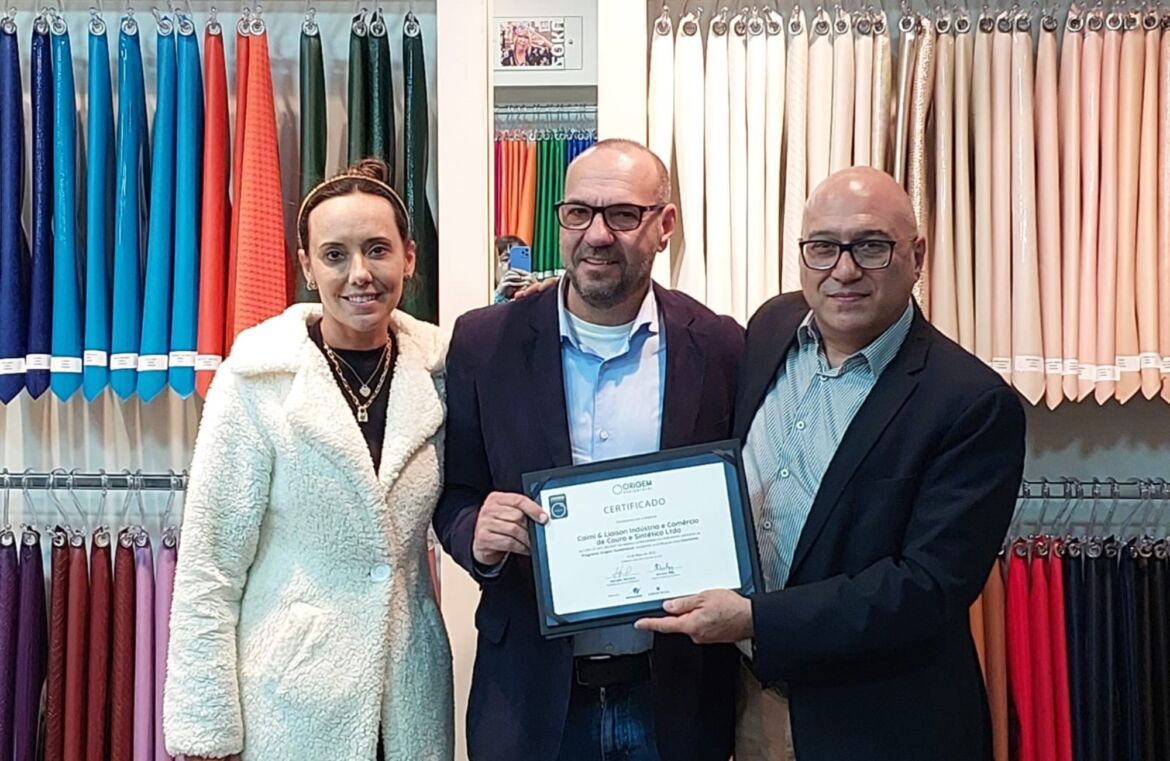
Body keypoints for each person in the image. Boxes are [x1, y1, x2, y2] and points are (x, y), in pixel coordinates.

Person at [636, 167, 1026, 761]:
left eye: (871, 246)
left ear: (916, 256)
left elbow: (926, 589)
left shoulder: (972, 403)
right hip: (744, 699)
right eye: (823, 247)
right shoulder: (771, 327)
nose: (844, 270)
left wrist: (756, 620)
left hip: (876, 723)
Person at [434, 139, 743, 761]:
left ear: (665, 226)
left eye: (623, 215)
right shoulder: (483, 343)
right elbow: (454, 493)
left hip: (675, 698)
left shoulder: (720, 347)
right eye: (578, 213)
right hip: (530, 697)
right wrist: (477, 534)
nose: (597, 235)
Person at [163, 160, 453, 761]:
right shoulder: (258, 380)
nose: (360, 274)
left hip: (410, 693)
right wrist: (206, 731)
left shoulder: (440, 373)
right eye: (335, 255)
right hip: (292, 700)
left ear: (409, 257)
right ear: (306, 266)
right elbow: (210, 567)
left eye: (377, 250)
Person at [493, 234, 538, 303]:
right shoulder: (485, 297)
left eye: (517, 261)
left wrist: (538, 294)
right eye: (505, 259)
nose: (510, 265)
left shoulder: (534, 292)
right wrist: (498, 295)